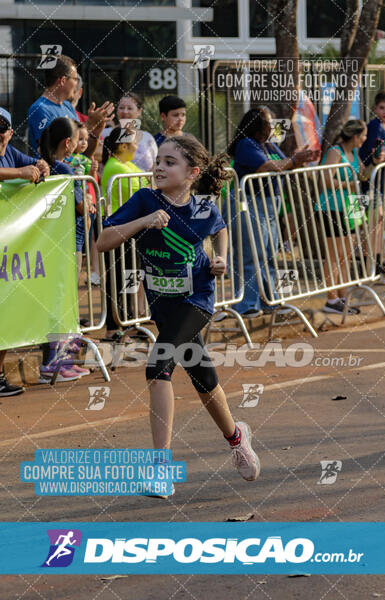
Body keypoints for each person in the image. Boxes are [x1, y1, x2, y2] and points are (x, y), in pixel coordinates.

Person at [97, 135, 261, 494]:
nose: (159, 167)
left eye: (170, 162)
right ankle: (237, 437)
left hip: (197, 299)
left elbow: (220, 228)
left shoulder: (202, 208)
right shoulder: (144, 200)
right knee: (203, 378)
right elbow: (103, 241)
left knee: (159, 364)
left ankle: (161, 468)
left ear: (192, 173)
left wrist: (220, 259)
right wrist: (142, 223)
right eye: (159, 160)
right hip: (163, 305)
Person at [227, 107, 318, 319]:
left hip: (269, 204)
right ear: (258, 125)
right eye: (269, 123)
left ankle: (271, 300)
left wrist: (298, 159)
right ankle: (247, 305)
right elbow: (266, 166)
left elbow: (284, 165)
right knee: (250, 253)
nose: (273, 127)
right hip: (249, 203)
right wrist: (294, 160)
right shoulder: (246, 144)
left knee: (268, 253)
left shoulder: (269, 145)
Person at [0, 107, 50, 397]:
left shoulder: (12, 151)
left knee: (6, 312)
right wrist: (19, 173)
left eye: (2, 136)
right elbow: (20, 170)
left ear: (10, 133)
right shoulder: (12, 161)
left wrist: (42, 166)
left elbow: (39, 164)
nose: (0, 143)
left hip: (9, 250)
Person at [38, 117, 92, 382]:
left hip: (54, 243)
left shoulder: (41, 165)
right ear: (67, 143)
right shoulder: (62, 170)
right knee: (62, 301)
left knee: (60, 301)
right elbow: (79, 206)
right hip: (69, 241)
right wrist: (89, 206)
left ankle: (63, 360)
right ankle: (54, 363)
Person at [316, 119, 367, 314]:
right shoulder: (335, 152)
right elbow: (326, 179)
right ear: (355, 136)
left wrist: (375, 161)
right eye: (363, 135)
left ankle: (343, 297)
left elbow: (362, 175)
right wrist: (350, 185)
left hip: (351, 206)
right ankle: (331, 299)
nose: (364, 139)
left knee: (346, 254)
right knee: (334, 254)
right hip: (332, 207)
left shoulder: (354, 153)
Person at [101, 125, 146, 340]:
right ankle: (113, 325)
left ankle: (128, 320)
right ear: (124, 145)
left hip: (130, 228)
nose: (138, 147)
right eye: (134, 142)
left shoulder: (126, 165)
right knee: (117, 277)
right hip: (116, 228)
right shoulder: (117, 168)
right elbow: (144, 186)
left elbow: (146, 178)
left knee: (131, 274)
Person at [28, 54, 114, 158]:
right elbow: (49, 150)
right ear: (63, 81)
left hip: (75, 174)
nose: (77, 84)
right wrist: (90, 125)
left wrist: (96, 130)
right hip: (57, 174)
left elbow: (83, 155)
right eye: (75, 79)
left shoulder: (67, 106)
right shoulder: (40, 109)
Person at [359, 89, 385, 276]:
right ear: (375, 108)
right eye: (381, 108)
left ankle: (377, 263)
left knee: (378, 223)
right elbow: (378, 157)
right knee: (369, 225)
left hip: (384, 185)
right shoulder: (374, 127)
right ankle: (371, 265)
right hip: (366, 183)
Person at [65, 122, 100, 286]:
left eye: (86, 139)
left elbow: (92, 181)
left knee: (81, 241)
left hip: (84, 202)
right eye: (80, 139)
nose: (84, 142)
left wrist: (93, 171)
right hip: (71, 204)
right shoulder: (66, 159)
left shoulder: (85, 160)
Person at [102, 92, 157, 172]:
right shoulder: (105, 134)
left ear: (139, 111)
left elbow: (155, 165)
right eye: (121, 108)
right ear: (117, 111)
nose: (125, 112)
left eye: (130, 108)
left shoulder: (148, 137)